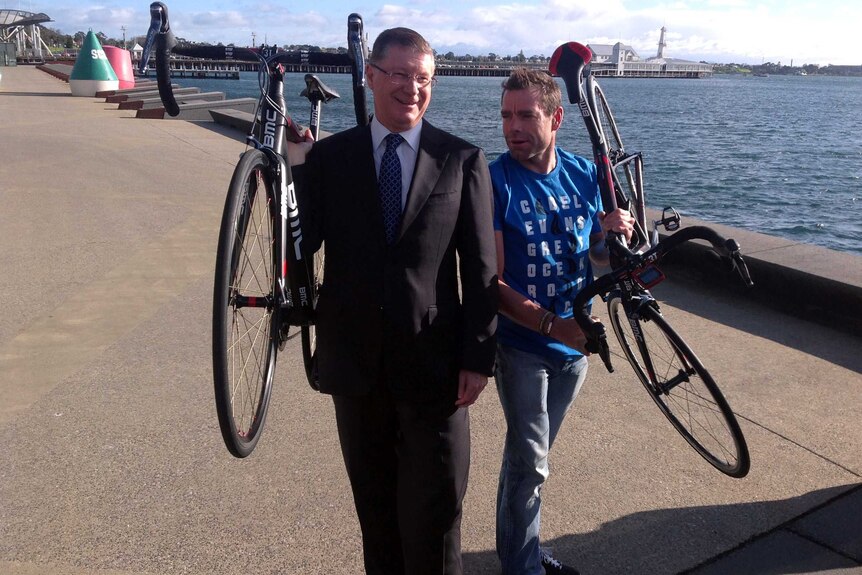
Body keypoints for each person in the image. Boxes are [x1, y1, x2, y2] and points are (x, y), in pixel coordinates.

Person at [287, 27, 498, 575]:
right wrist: (293, 172)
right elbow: (301, 245)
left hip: (436, 369)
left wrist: (479, 358)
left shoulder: (462, 158)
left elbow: (480, 269)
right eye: (400, 75)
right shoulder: (331, 158)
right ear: (371, 76)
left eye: (423, 78)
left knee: (436, 517)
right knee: (376, 517)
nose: (412, 88)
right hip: (355, 368)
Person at [490, 68, 634, 575]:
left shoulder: (582, 173)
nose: (513, 128)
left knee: (528, 460)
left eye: (526, 115)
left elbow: (594, 258)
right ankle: (523, 567)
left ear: (556, 118)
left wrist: (609, 233)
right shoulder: (495, 181)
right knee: (531, 462)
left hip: (578, 345)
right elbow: (494, 284)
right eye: (507, 115)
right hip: (523, 345)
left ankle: (518, 552)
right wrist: (553, 326)